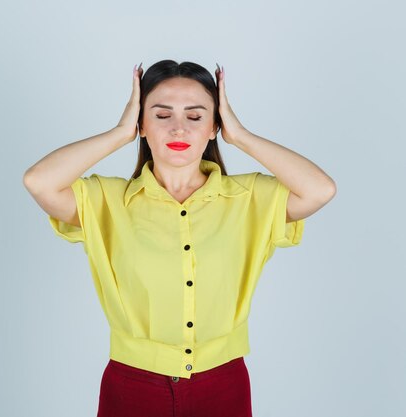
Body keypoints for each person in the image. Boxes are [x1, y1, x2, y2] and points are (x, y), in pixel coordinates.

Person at [23, 60, 336, 417]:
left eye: (195, 115)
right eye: (161, 115)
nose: (178, 129)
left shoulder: (249, 198)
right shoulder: (105, 201)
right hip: (132, 385)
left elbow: (320, 189)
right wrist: (119, 132)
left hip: (224, 384)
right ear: (141, 123)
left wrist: (242, 136)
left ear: (214, 126)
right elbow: (39, 181)